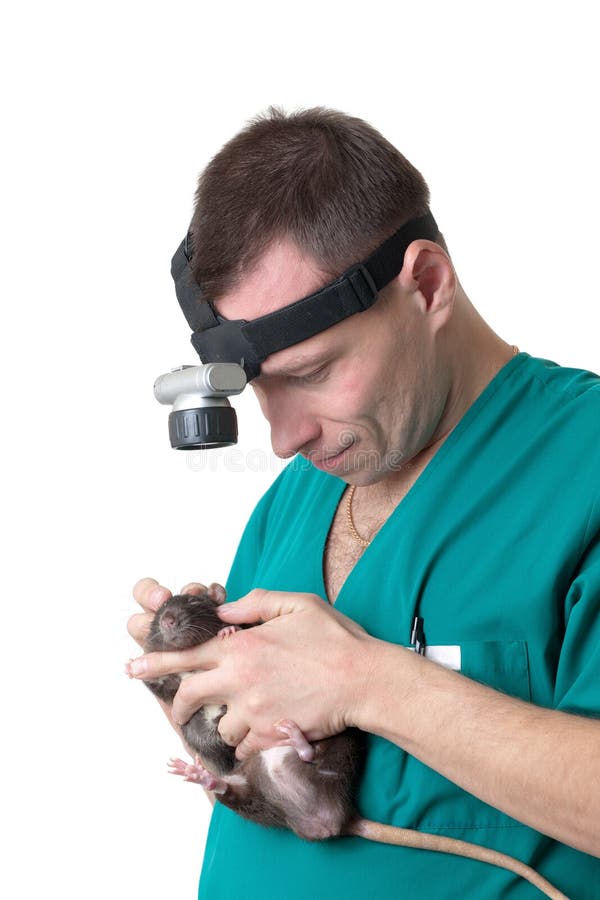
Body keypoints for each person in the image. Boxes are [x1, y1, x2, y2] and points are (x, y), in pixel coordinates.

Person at [127, 107, 600, 899]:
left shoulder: (580, 465)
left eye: (310, 372)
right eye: (260, 387)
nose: (282, 437)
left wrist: (363, 680)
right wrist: (203, 694)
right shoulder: (296, 500)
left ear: (426, 284)